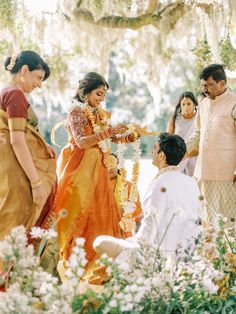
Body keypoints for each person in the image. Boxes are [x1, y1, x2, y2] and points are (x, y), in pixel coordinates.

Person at [54, 72, 139, 271]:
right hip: (79, 168)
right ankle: (79, 261)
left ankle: (102, 260)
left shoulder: (98, 112)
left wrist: (126, 137)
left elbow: (105, 138)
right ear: (85, 93)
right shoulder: (76, 112)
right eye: (98, 94)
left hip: (98, 168)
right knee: (81, 212)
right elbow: (82, 142)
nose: (101, 99)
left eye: (103, 95)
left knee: (101, 211)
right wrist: (110, 131)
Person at [94, 133, 201, 261]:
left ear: (161, 156)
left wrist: (131, 242)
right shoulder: (192, 182)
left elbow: (148, 231)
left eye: (155, 148)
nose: (151, 151)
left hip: (161, 253)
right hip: (189, 251)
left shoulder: (160, 183)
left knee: (100, 242)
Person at [0, 51, 57, 240]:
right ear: (24, 70)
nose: (39, 84)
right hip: (14, 171)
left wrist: (41, 143)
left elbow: (23, 132)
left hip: (7, 167)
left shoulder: (5, 91)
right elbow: (16, 140)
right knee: (14, 225)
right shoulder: (15, 95)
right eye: (38, 77)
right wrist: (36, 183)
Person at [186, 64, 236, 225]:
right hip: (202, 173)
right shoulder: (203, 104)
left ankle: (227, 251)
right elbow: (198, 133)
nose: (205, 89)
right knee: (206, 222)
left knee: (226, 223)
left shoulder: (234, 103)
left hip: (226, 174)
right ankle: (207, 251)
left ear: (222, 83)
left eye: (209, 85)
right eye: (203, 86)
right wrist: (180, 149)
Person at [108, 154, 143, 235]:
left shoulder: (129, 186)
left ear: (118, 165)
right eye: (107, 164)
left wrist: (123, 211)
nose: (110, 168)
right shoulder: (96, 187)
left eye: (113, 163)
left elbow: (138, 209)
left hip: (122, 230)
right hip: (100, 230)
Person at [166, 91, 198, 176]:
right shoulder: (175, 118)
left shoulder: (199, 118)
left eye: (188, 104)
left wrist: (188, 154)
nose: (186, 107)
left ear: (194, 104)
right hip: (177, 158)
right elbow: (167, 139)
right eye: (183, 104)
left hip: (194, 157)